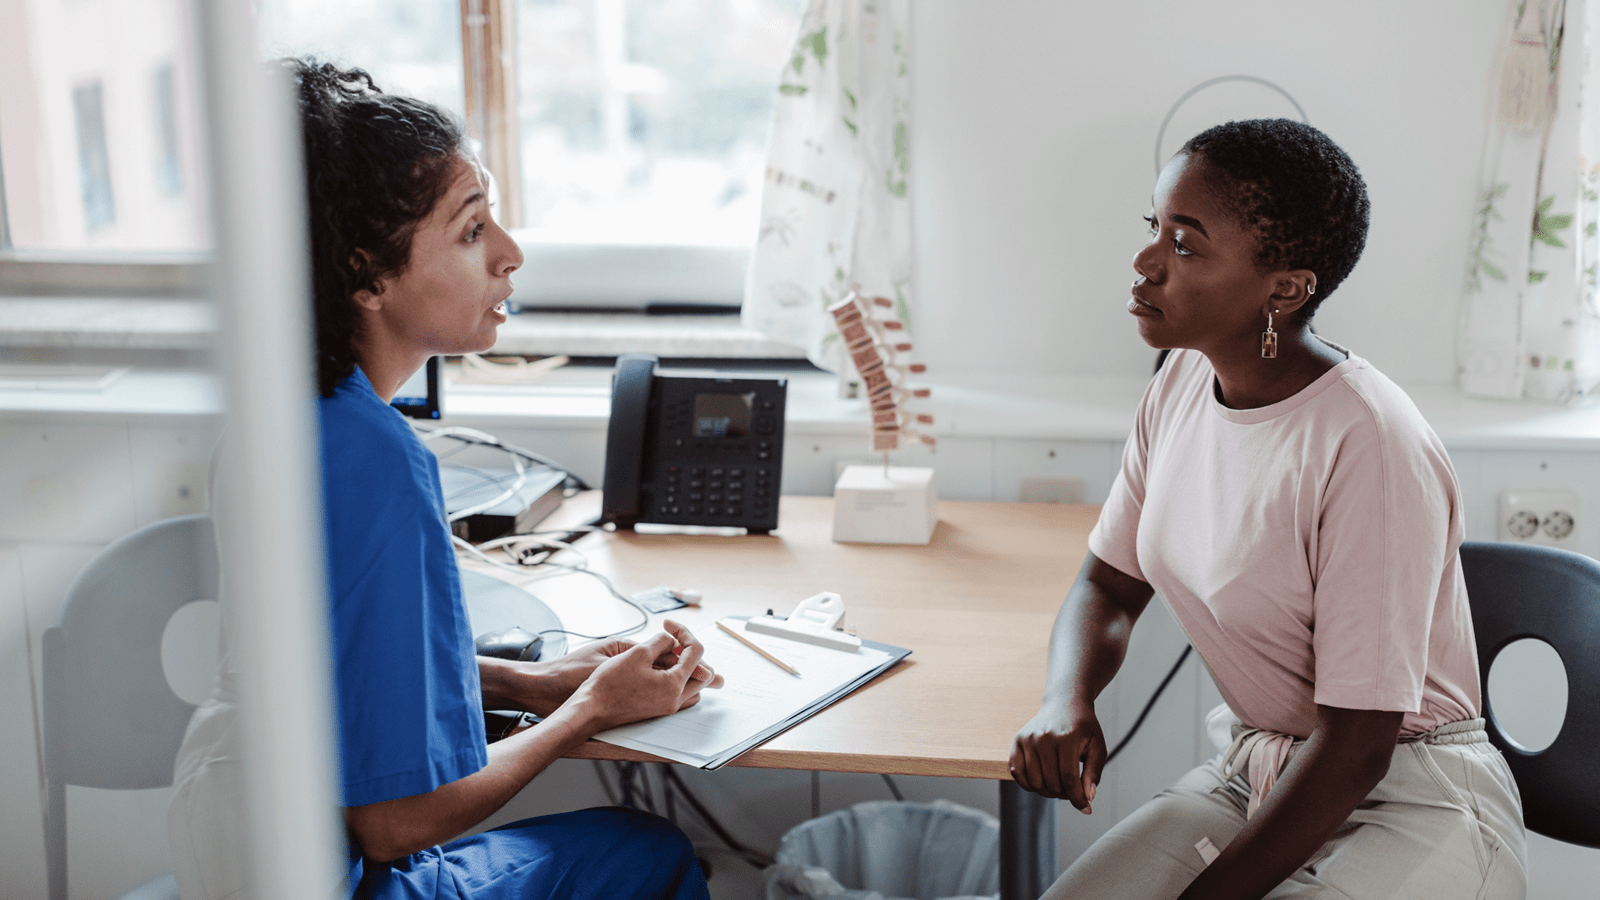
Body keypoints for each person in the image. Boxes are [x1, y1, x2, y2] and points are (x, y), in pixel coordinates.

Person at [169, 58, 722, 900]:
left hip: (227, 848)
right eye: (471, 231)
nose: (510, 254)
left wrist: (530, 683)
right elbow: (397, 823)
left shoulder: (273, 419)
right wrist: (590, 711)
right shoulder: (379, 460)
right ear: (366, 275)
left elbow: (327, 675)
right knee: (647, 853)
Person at [1010, 119, 1527, 900]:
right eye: (1154, 227)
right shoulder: (1181, 383)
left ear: (1284, 289)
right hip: (1262, 771)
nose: (1146, 262)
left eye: (1185, 245)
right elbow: (1107, 585)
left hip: (1414, 797)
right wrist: (1067, 699)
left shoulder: (1370, 445)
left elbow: (1357, 746)